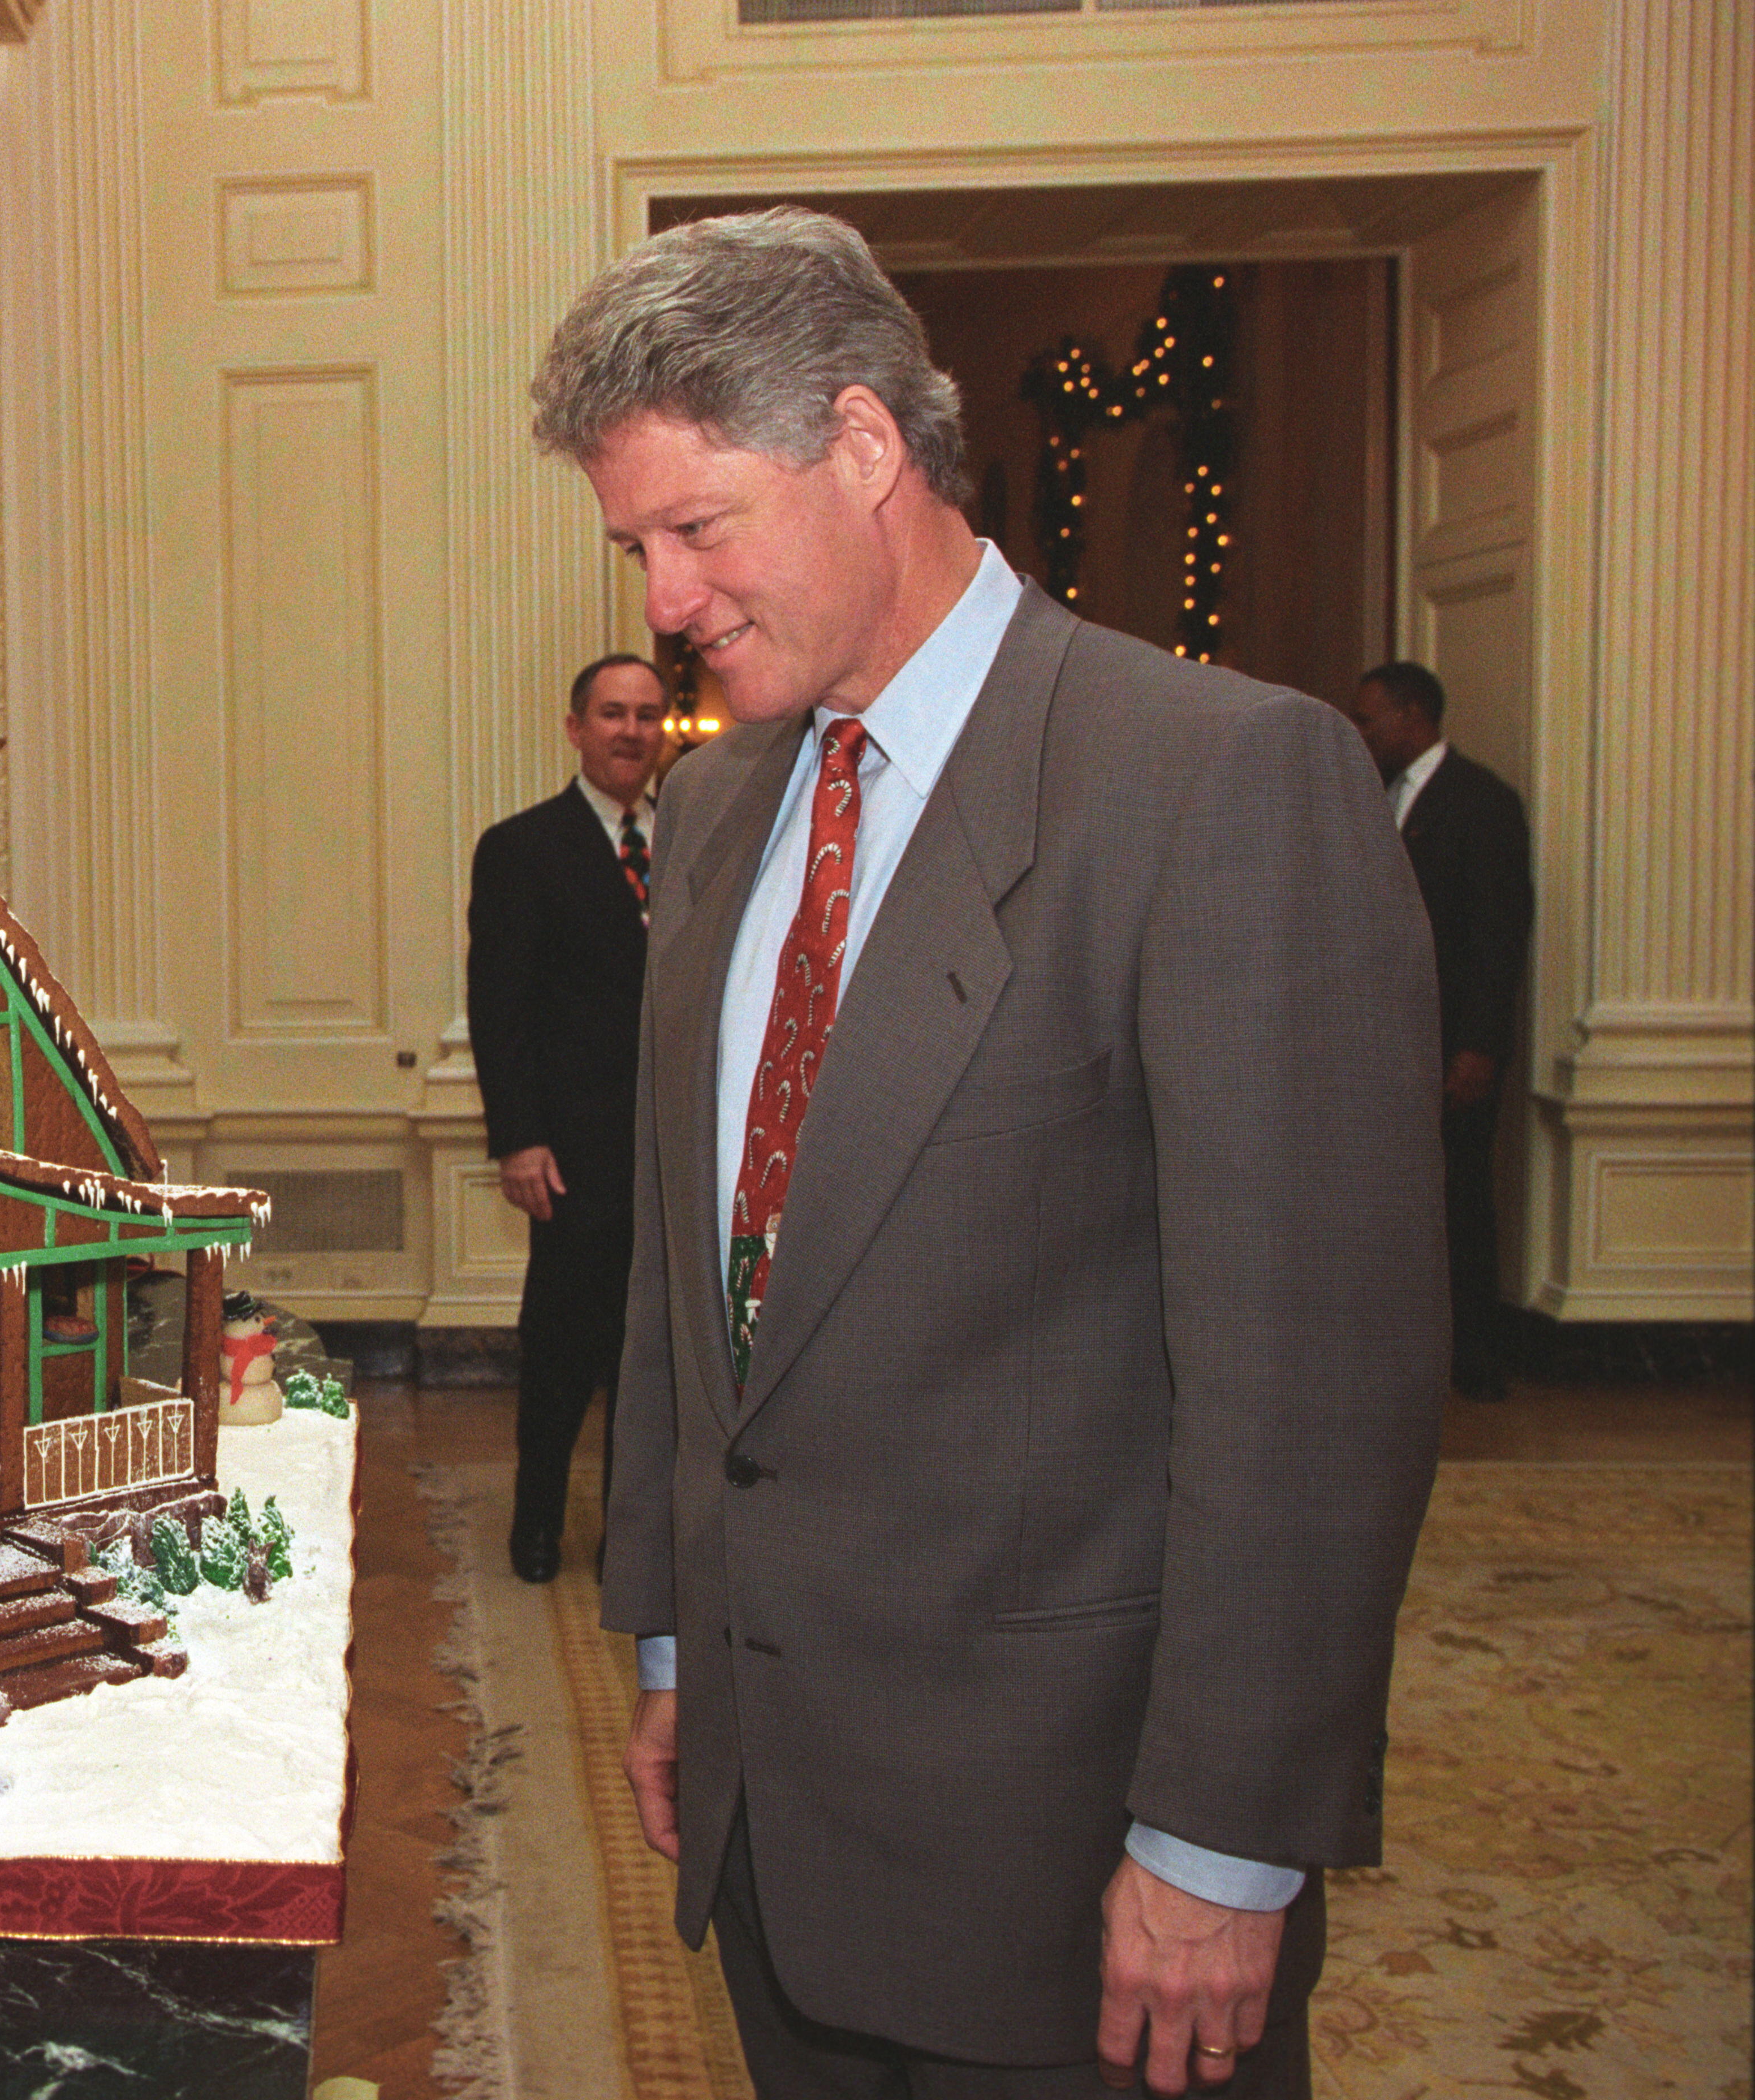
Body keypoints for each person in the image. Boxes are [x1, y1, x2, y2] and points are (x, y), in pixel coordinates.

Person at [533, 206, 1444, 2097]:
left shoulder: (1216, 781)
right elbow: (687, 1289)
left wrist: (1215, 1843)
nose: (664, 602)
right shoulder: (709, 807)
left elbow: (1308, 1388)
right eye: (636, 549)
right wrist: (678, 1644)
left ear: (863, 448)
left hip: (1075, 1872)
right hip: (774, 1822)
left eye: (697, 530)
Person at [465, 653, 666, 1583]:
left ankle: (634, 1536)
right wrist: (517, 1137)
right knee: (560, 1348)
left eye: (646, 715)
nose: (631, 730)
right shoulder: (521, 847)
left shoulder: (698, 839)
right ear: (575, 727)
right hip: (575, 1152)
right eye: (612, 713)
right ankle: (536, 1524)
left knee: (654, 1360)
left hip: (680, 1152)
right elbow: (497, 1007)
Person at [1344, 660, 1533, 1400]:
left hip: (1455, 1044)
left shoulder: (1481, 802)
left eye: (1367, 718)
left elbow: (1498, 933)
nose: (1358, 732)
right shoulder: (1372, 799)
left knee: (1460, 1201)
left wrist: (1480, 1046)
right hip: (1385, 1048)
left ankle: (1475, 1357)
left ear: (1413, 714)